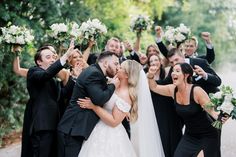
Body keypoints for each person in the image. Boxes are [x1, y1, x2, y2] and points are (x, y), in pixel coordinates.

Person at [78, 60, 165, 157]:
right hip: (98, 127)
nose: (118, 68)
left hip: (110, 134)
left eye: (121, 67)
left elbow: (114, 121)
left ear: (127, 75)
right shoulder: (114, 84)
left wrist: (94, 107)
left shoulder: (125, 95)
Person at [147, 62, 227, 157]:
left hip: (207, 135)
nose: (173, 73)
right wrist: (150, 76)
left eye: (177, 71)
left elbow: (212, 112)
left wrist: (225, 113)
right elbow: (154, 87)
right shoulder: (173, 90)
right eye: (173, 71)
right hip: (190, 135)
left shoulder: (197, 91)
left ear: (186, 75)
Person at [57, 51, 120, 157]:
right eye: (116, 63)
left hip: (75, 130)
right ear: (105, 63)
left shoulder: (96, 72)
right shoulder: (94, 73)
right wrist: (112, 85)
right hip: (72, 130)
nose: (118, 67)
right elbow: (99, 99)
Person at [26, 41, 75, 157]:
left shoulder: (53, 79)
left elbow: (62, 95)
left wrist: (74, 77)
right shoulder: (34, 72)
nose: (52, 59)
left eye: (53, 57)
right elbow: (45, 75)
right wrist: (65, 57)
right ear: (39, 62)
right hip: (42, 126)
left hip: (55, 125)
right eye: (48, 57)